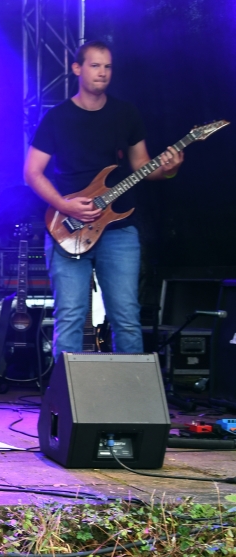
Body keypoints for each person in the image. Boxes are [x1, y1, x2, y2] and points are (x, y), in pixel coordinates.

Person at [24, 41, 183, 360]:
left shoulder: (126, 113)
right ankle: (65, 390)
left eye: (108, 66)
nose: (103, 72)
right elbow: (32, 172)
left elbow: (142, 166)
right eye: (95, 65)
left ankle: (131, 388)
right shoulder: (57, 117)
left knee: (126, 317)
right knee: (70, 317)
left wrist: (169, 170)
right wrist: (64, 205)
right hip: (68, 227)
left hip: (119, 229)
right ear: (77, 69)